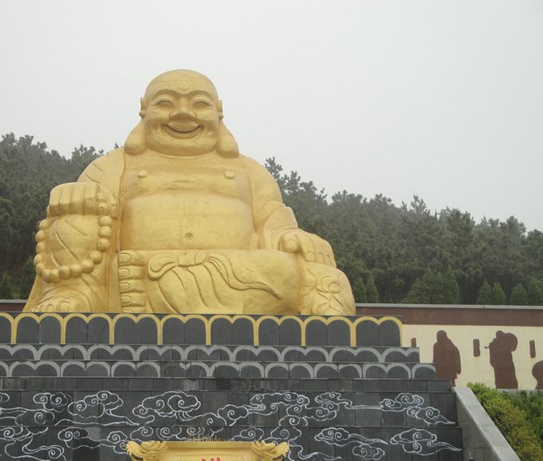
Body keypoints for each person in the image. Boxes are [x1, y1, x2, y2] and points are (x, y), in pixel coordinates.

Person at [25, 70, 355, 315]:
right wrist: (72, 195)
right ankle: (74, 296)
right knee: (76, 211)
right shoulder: (112, 165)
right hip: (127, 275)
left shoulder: (250, 171)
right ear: (144, 109)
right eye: (166, 103)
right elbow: (78, 223)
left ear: (218, 111)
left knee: (322, 278)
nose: (183, 114)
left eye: (199, 104)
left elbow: (275, 222)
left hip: (215, 275)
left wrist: (294, 237)